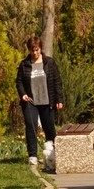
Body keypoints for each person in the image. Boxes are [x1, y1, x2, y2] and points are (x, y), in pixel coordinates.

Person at [15, 36, 62, 167]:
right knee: (31, 126)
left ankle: (52, 154)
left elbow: (57, 81)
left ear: (40, 49)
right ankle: (33, 156)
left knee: (49, 128)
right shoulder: (24, 64)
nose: (35, 53)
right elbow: (19, 82)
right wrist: (23, 94)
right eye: (32, 50)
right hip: (31, 101)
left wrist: (59, 99)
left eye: (37, 50)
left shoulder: (49, 63)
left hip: (47, 101)